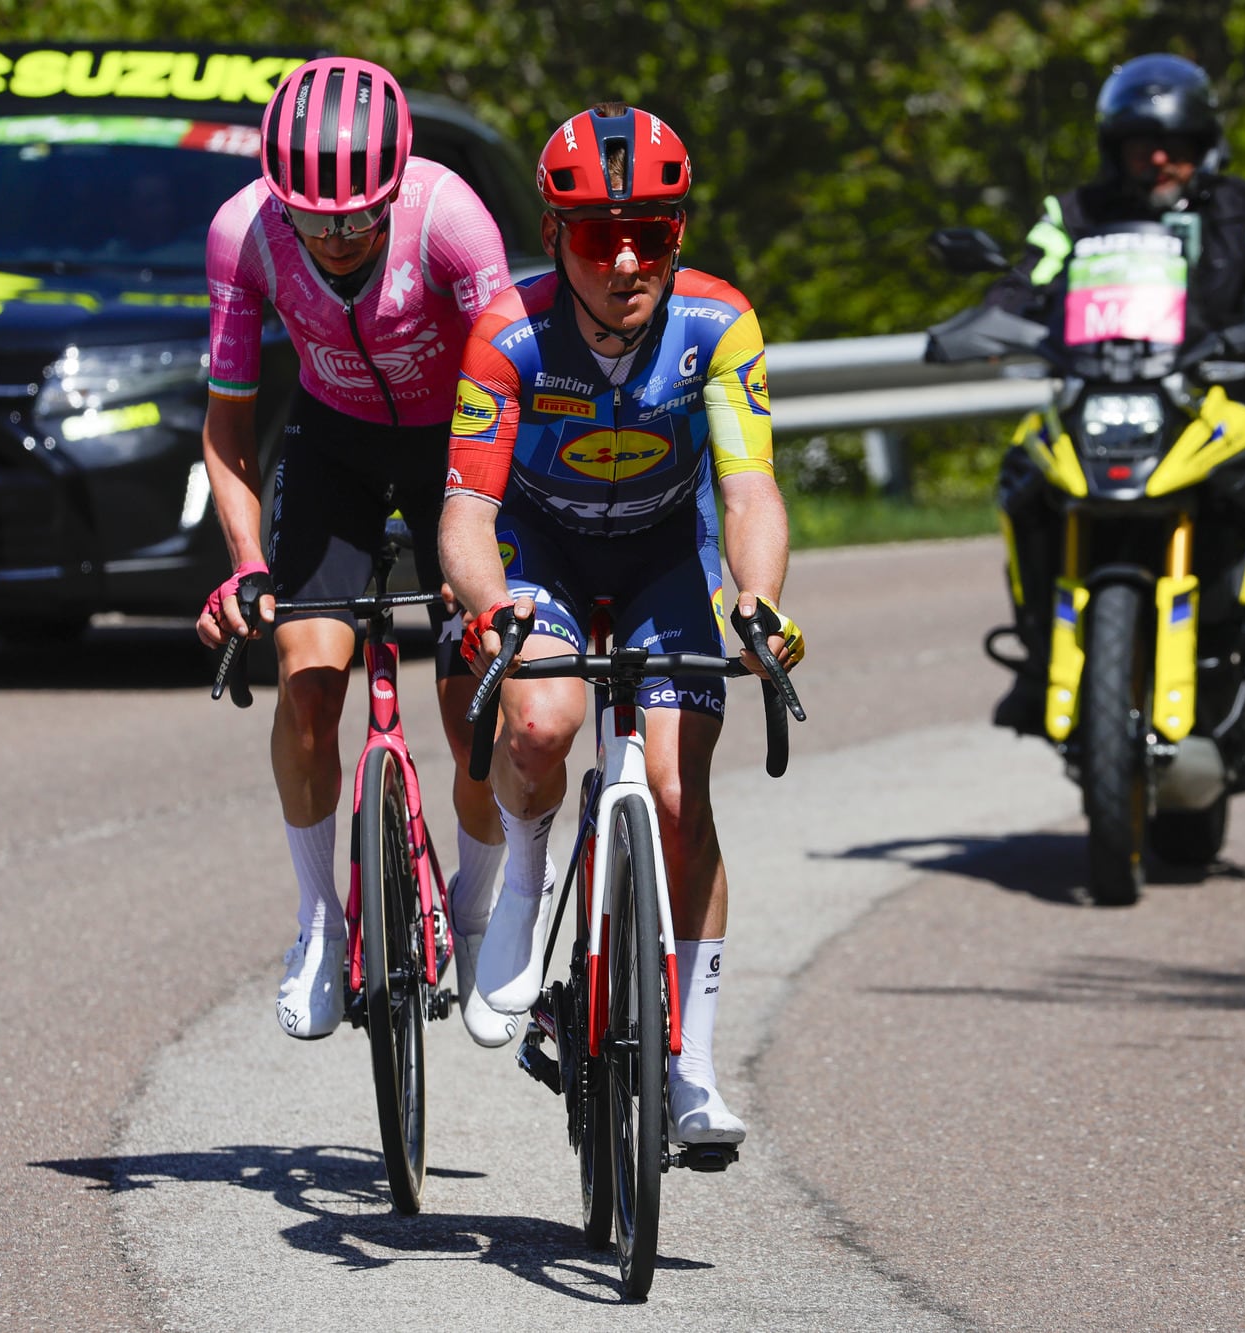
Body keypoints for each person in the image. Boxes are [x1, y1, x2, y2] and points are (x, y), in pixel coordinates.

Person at [438, 103, 805, 1146]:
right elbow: (465, 513)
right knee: (541, 727)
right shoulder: (508, 332)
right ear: (556, 237)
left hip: (661, 554)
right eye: (602, 234)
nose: (630, 257)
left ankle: (690, 1069)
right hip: (540, 552)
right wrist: (487, 603)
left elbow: (749, 492)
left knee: (683, 795)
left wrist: (757, 597)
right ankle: (523, 866)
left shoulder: (718, 324)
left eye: (656, 228)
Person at [194, 56, 519, 1048]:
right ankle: (317, 920)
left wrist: (488, 562)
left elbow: (509, 391)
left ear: (395, 188)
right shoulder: (244, 234)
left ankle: (473, 908)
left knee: (477, 697)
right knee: (307, 681)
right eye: (314, 219)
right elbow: (229, 429)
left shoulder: (451, 220)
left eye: (357, 217)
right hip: (331, 447)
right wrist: (248, 565)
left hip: (451, 453)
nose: (335, 240)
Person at [986, 53, 1245, 743]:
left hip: (1217, 400)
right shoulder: (1075, 213)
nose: (1157, 159)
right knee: (1023, 481)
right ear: (1112, 148)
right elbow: (1026, 276)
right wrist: (999, 314)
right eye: (1139, 145)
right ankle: (1038, 656)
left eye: (1173, 145)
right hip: (1099, 394)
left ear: (1203, 144)